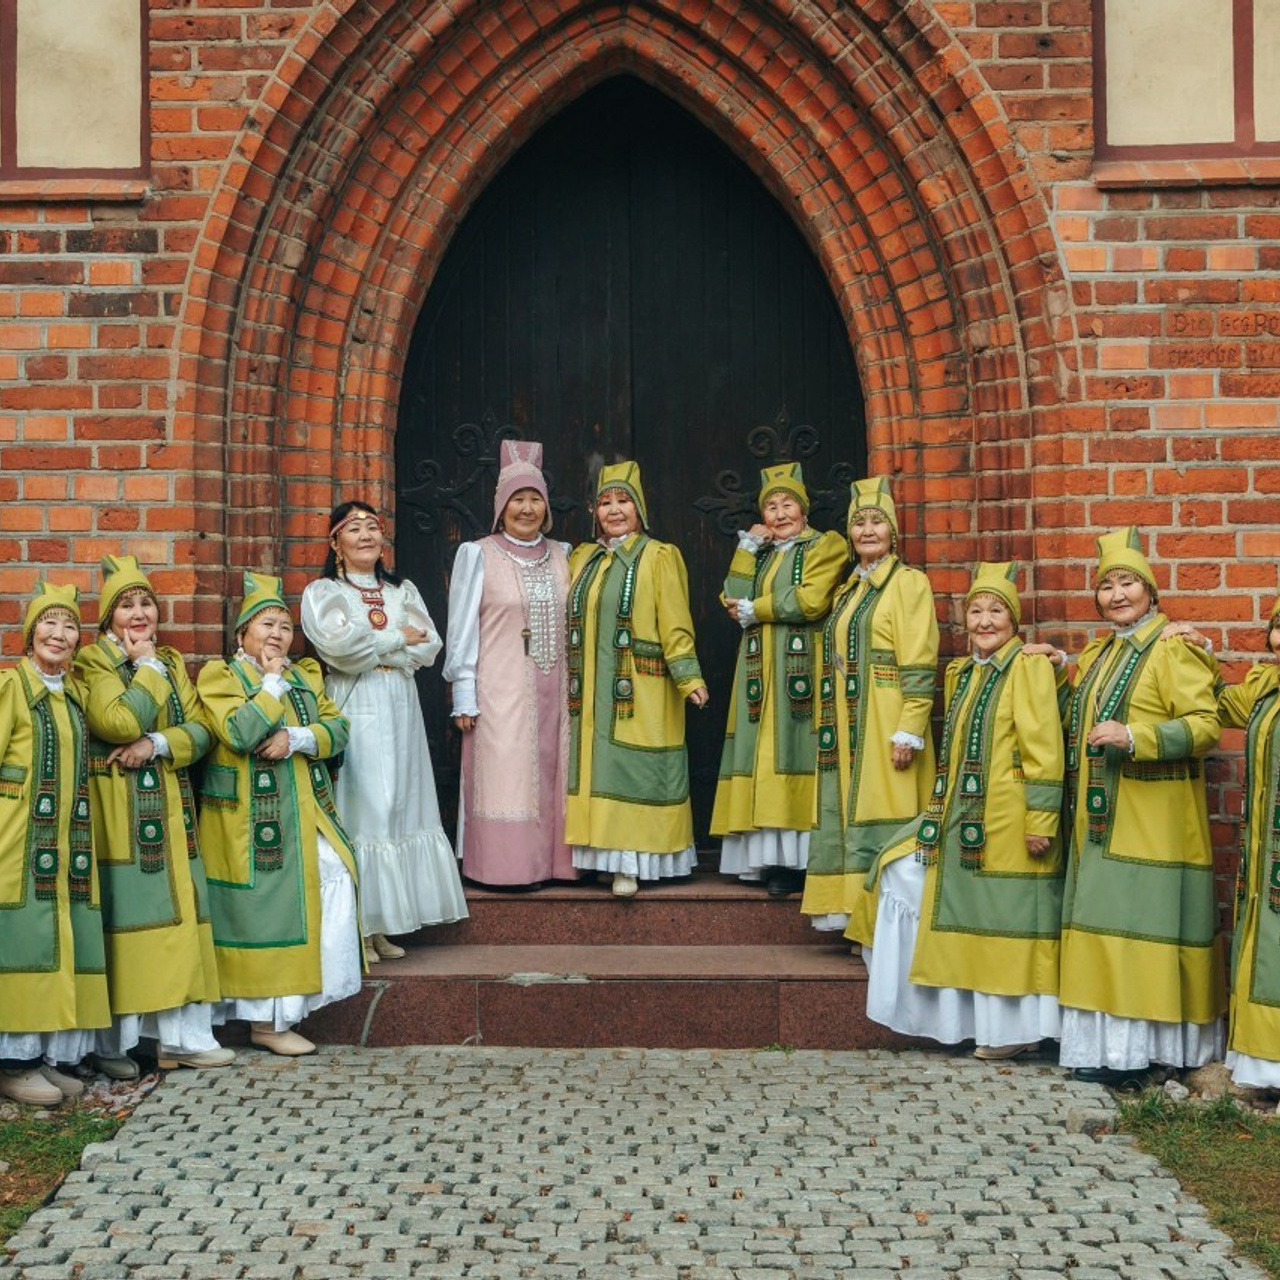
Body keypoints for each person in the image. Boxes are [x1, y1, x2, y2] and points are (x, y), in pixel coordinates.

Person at [864, 562, 1065, 1058]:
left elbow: (1044, 748)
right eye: (975, 610)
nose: (984, 620)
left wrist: (1040, 819)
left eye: (996, 610)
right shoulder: (962, 673)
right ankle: (954, 1017)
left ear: (1013, 621)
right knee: (898, 870)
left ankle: (1015, 1032)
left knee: (1006, 921)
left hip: (1008, 820)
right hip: (959, 817)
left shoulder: (1028, 667)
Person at [1048, 527, 1226, 1085]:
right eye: (1106, 586)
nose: (1117, 595)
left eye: (1128, 583)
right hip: (1101, 820)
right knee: (1105, 929)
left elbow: (1205, 726)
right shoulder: (1099, 652)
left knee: (1139, 931)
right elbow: (1075, 718)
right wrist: (1053, 669)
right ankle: (1110, 1053)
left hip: (1156, 820)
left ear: (1150, 591)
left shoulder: (1173, 647)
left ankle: (1144, 1054)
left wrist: (1136, 737)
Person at [76, 555, 233, 1076]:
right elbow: (116, 719)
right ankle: (115, 1045)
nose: (139, 613)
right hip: (120, 811)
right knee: (132, 925)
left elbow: (203, 731)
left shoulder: (167, 660)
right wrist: (144, 676)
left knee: (181, 920)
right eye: (126, 606)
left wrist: (158, 743)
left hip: (169, 806)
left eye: (146, 603)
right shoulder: (94, 663)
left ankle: (180, 1039)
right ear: (107, 620)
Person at [198, 572, 362, 1056]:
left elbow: (338, 727)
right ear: (241, 634)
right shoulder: (221, 676)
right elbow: (241, 731)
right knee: (267, 914)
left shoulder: (305, 676)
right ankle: (266, 1023)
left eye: (285, 627)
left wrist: (300, 738)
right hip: (247, 821)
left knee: (333, 878)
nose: (277, 634)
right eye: (266, 624)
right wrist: (270, 685)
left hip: (307, 809)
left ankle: (301, 1001)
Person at [301, 502, 466, 965]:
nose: (366, 535)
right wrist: (396, 641)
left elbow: (430, 645)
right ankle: (357, 924)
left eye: (373, 526)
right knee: (365, 807)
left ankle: (383, 922)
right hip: (357, 707)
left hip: (400, 707)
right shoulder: (323, 592)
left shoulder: (402, 590)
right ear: (335, 543)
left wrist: (378, 646)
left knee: (397, 805)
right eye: (353, 529)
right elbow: (338, 649)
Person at [801, 477, 938, 938]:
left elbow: (918, 658)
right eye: (858, 522)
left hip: (885, 720)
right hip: (844, 722)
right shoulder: (848, 591)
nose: (867, 530)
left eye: (877, 521)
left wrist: (911, 727)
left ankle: (887, 927)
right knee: (845, 812)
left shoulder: (908, 584)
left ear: (893, 532)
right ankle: (851, 915)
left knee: (887, 812)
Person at [566, 461, 709, 897]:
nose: (614, 510)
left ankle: (630, 864)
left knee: (632, 770)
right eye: (606, 502)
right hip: (589, 691)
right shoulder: (583, 558)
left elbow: (676, 624)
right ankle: (600, 860)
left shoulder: (659, 556)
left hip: (641, 685)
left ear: (639, 509)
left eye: (623, 501)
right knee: (598, 769)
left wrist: (689, 678)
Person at [711, 463, 847, 897]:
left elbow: (810, 600)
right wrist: (747, 549)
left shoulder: (826, 545)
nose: (779, 513)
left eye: (788, 504)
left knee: (794, 750)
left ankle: (798, 862)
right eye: (771, 506)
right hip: (757, 670)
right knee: (760, 754)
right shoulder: (763, 551)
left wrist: (759, 609)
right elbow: (731, 595)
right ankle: (764, 858)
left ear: (804, 510)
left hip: (799, 671)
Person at [443, 440, 574, 887]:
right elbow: (461, 628)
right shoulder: (478, 554)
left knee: (558, 770)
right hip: (500, 692)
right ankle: (507, 867)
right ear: (501, 506)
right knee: (508, 776)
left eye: (535, 498)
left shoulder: (565, 554)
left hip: (559, 688)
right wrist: (463, 693)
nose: (527, 507)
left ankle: (558, 863)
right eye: (518, 498)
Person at [0, 583, 110, 1106]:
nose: (60, 634)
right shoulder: (12, 689)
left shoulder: (72, 696)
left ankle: (46, 1055)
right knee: (23, 942)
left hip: (64, 843)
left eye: (70, 626)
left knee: (58, 942)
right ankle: (12, 1062)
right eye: (50, 623)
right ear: (30, 634)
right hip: (17, 842)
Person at [1182, 598, 1280, 1089]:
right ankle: (1264, 1068)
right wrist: (1201, 652)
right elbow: (1220, 702)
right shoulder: (1267, 688)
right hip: (1267, 854)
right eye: (1279, 627)